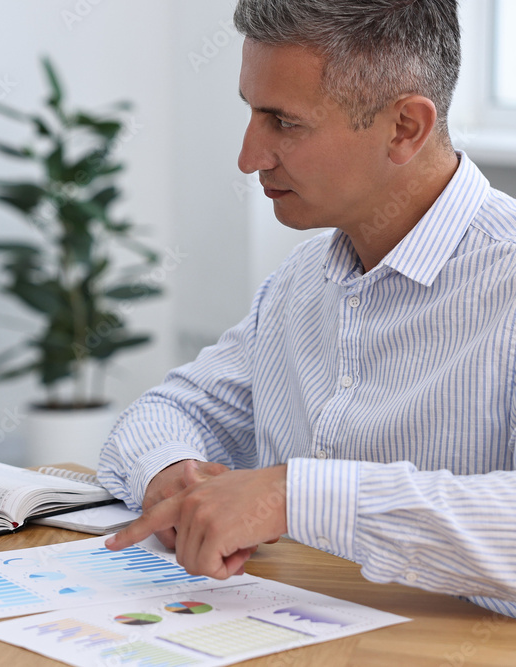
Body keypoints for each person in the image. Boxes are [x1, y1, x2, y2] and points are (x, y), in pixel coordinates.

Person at [101, 0, 516, 618]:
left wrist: (296, 497)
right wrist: (175, 475)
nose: (249, 156)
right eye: (250, 111)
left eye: (283, 122)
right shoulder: (304, 280)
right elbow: (167, 411)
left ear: (406, 128)